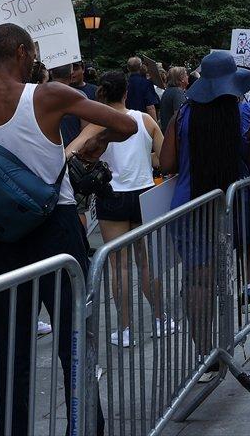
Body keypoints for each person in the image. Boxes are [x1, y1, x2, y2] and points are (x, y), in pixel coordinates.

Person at [0, 23, 135, 436]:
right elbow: (126, 125)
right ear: (24, 52)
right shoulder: (48, 95)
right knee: (73, 339)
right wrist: (86, 143)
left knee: (12, 347)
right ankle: (84, 427)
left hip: (8, 236)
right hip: (58, 227)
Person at [158, 51, 250, 381]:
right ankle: (225, 344)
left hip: (192, 209)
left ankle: (207, 352)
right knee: (221, 275)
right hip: (235, 208)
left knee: (198, 279)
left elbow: (166, 164)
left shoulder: (183, 116)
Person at [68, 71, 169, 347]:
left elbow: (70, 153)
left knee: (119, 266)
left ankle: (125, 328)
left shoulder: (96, 124)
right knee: (148, 262)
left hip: (111, 195)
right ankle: (161, 318)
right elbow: (163, 158)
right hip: (145, 193)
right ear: (126, 93)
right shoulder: (145, 120)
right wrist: (143, 157)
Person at [158, 66, 189, 133]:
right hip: (175, 135)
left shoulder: (168, 91)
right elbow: (179, 117)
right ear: (181, 78)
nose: (188, 77)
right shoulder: (177, 93)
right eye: (186, 74)